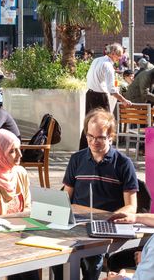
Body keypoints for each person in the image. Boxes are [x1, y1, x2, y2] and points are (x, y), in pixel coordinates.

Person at [59, 109, 138, 280]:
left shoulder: (124, 164)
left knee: (92, 259)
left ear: (111, 136)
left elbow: (132, 206)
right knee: (56, 258)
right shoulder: (76, 159)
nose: (94, 142)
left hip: (104, 227)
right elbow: (66, 196)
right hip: (76, 224)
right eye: (90, 136)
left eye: (100, 137)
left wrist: (114, 216)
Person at [79, 43, 132, 150]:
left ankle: (83, 150)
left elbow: (88, 77)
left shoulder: (96, 60)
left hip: (89, 94)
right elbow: (112, 90)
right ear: (112, 54)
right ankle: (106, 150)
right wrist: (124, 100)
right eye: (119, 55)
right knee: (107, 123)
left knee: (89, 123)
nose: (120, 57)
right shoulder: (108, 66)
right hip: (100, 96)